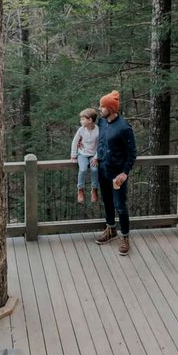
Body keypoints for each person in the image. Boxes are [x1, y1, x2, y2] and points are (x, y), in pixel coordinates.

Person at [92, 90, 137, 255]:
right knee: (107, 202)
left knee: (120, 206)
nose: (100, 108)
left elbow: (132, 153)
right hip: (103, 170)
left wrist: (125, 172)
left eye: (102, 106)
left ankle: (125, 237)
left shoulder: (124, 127)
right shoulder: (103, 123)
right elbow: (101, 142)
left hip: (117, 174)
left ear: (111, 108)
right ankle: (111, 229)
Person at [70, 108, 100, 204]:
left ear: (90, 120)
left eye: (83, 119)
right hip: (82, 154)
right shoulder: (81, 130)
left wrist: (96, 157)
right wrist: (73, 155)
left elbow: (101, 145)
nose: (81, 121)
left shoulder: (98, 130)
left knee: (94, 169)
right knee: (82, 169)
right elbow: (75, 142)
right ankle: (80, 190)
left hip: (93, 155)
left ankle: (94, 189)